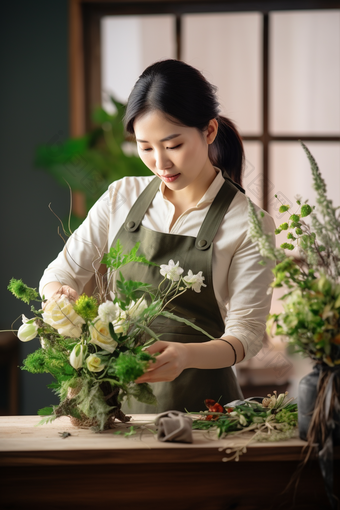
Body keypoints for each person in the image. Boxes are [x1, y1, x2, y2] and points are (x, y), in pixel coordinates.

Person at [39, 59, 275, 413]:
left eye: (173, 145)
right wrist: (58, 296)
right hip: (115, 403)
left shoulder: (248, 223)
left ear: (209, 131)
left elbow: (246, 336)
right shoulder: (121, 197)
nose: (160, 162)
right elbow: (61, 272)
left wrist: (185, 355)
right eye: (145, 147)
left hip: (205, 411)